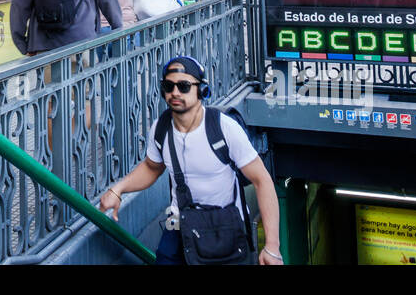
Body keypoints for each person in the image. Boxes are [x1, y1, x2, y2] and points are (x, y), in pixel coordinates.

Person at [100, 56, 282, 266]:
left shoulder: (223, 128)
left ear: (201, 90)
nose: (175, 92)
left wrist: (272, 246)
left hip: (224, 229)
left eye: (184, 86)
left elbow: (262, 181)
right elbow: (152, 167)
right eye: (169, 86)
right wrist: (118, 189)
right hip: (180, 226)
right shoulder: (161, 129)